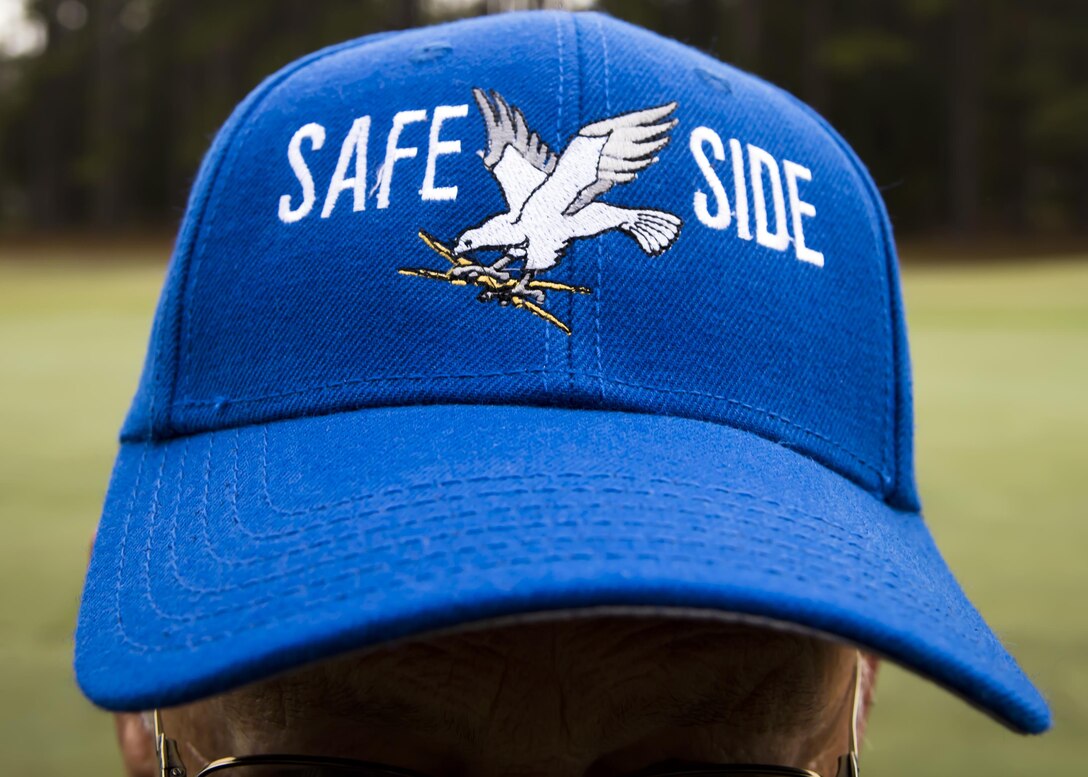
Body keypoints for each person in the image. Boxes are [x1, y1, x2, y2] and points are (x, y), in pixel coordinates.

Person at [75, 11, 1049, 777]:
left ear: (855, 701)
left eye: (702, 774)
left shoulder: (555, 206)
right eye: (339, 768)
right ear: (146, 722)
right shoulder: (518, 208)